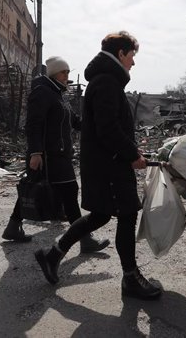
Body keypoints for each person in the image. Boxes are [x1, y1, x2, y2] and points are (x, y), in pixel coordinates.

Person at [34, 31, 162, 300]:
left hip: (106, 163)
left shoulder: (106, 80)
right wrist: (130, 156)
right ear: (120, 54)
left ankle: (53, 254)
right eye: (131, 56)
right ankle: (130, 279)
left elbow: (108, 127)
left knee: (102, 215)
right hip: (110, 165)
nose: (133, 63)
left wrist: (130, 150)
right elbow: (108, 129)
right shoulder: (106, 82)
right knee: (126, 215)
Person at [2, 57, 110, 254]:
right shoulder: (42, 92)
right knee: (69, 193)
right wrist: (35, 152)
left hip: (58, 154)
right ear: (53, 73)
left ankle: (12, 228)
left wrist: (96, 125)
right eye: (63, 72)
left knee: (33, 188)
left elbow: (74, 121)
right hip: (48, 156)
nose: (66, 77)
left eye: (68, 73)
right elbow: (33, 124)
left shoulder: (59, 94)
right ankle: (85, 239)